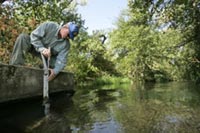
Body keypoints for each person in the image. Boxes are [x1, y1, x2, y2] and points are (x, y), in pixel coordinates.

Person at [9, 21, 79, 81]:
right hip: (35, 48)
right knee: (23, 37)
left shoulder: (66, 45)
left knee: (56, 67)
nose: (68, 37)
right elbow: (34, 36)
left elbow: (62, 60)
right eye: (68, 34)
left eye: (70, 37)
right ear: (65, 27)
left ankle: (40, 68)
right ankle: (15, 68)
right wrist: (42, 49)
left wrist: (54, 73)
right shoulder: (49, 25)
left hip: (48, 59)